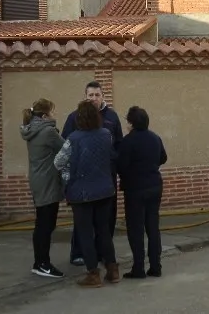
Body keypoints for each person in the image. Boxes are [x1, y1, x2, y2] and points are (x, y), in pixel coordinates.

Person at [54, 100, 120, 288]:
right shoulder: (106, 134)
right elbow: (111, 156)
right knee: (103, 231)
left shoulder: (74, 138)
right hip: (105, 190)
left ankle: (93, 274)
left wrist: (68, 174)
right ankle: (112, 270)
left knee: (85, 233)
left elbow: (58, 162)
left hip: (81, 192)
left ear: (79, 118)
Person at [62, 81, 123, 266]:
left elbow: (118, 145)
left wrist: (114, 166)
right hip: (82, 179)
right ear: (85, 96)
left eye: (97, 95)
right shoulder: (74, 117)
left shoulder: (112, 117)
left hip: (106, 176)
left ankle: (103, 253)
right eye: (91, 95)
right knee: (83, 220)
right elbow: (65, 145)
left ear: (103, 96)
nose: (94, 98)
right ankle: (79, 253)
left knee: (106, 220)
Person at [117, 106, 167, 279]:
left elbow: (121, 166)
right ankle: (155, 266)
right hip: (155, 186)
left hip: (135, 189)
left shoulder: (128, 141)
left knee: (136, 229)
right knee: (153, 227)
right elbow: (163, 158)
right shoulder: (155, 137)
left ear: (131, 123)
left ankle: (138, 268)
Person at [20, 98, 65, 279]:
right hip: (47, 182)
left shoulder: (32, 129)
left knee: (41, 224)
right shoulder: (48, 131)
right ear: (45, 116)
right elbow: (66, 148)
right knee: (46, 225)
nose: (55, 114)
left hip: (38, 180)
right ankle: (43, 264)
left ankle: (39, 262)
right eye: (52, 111)